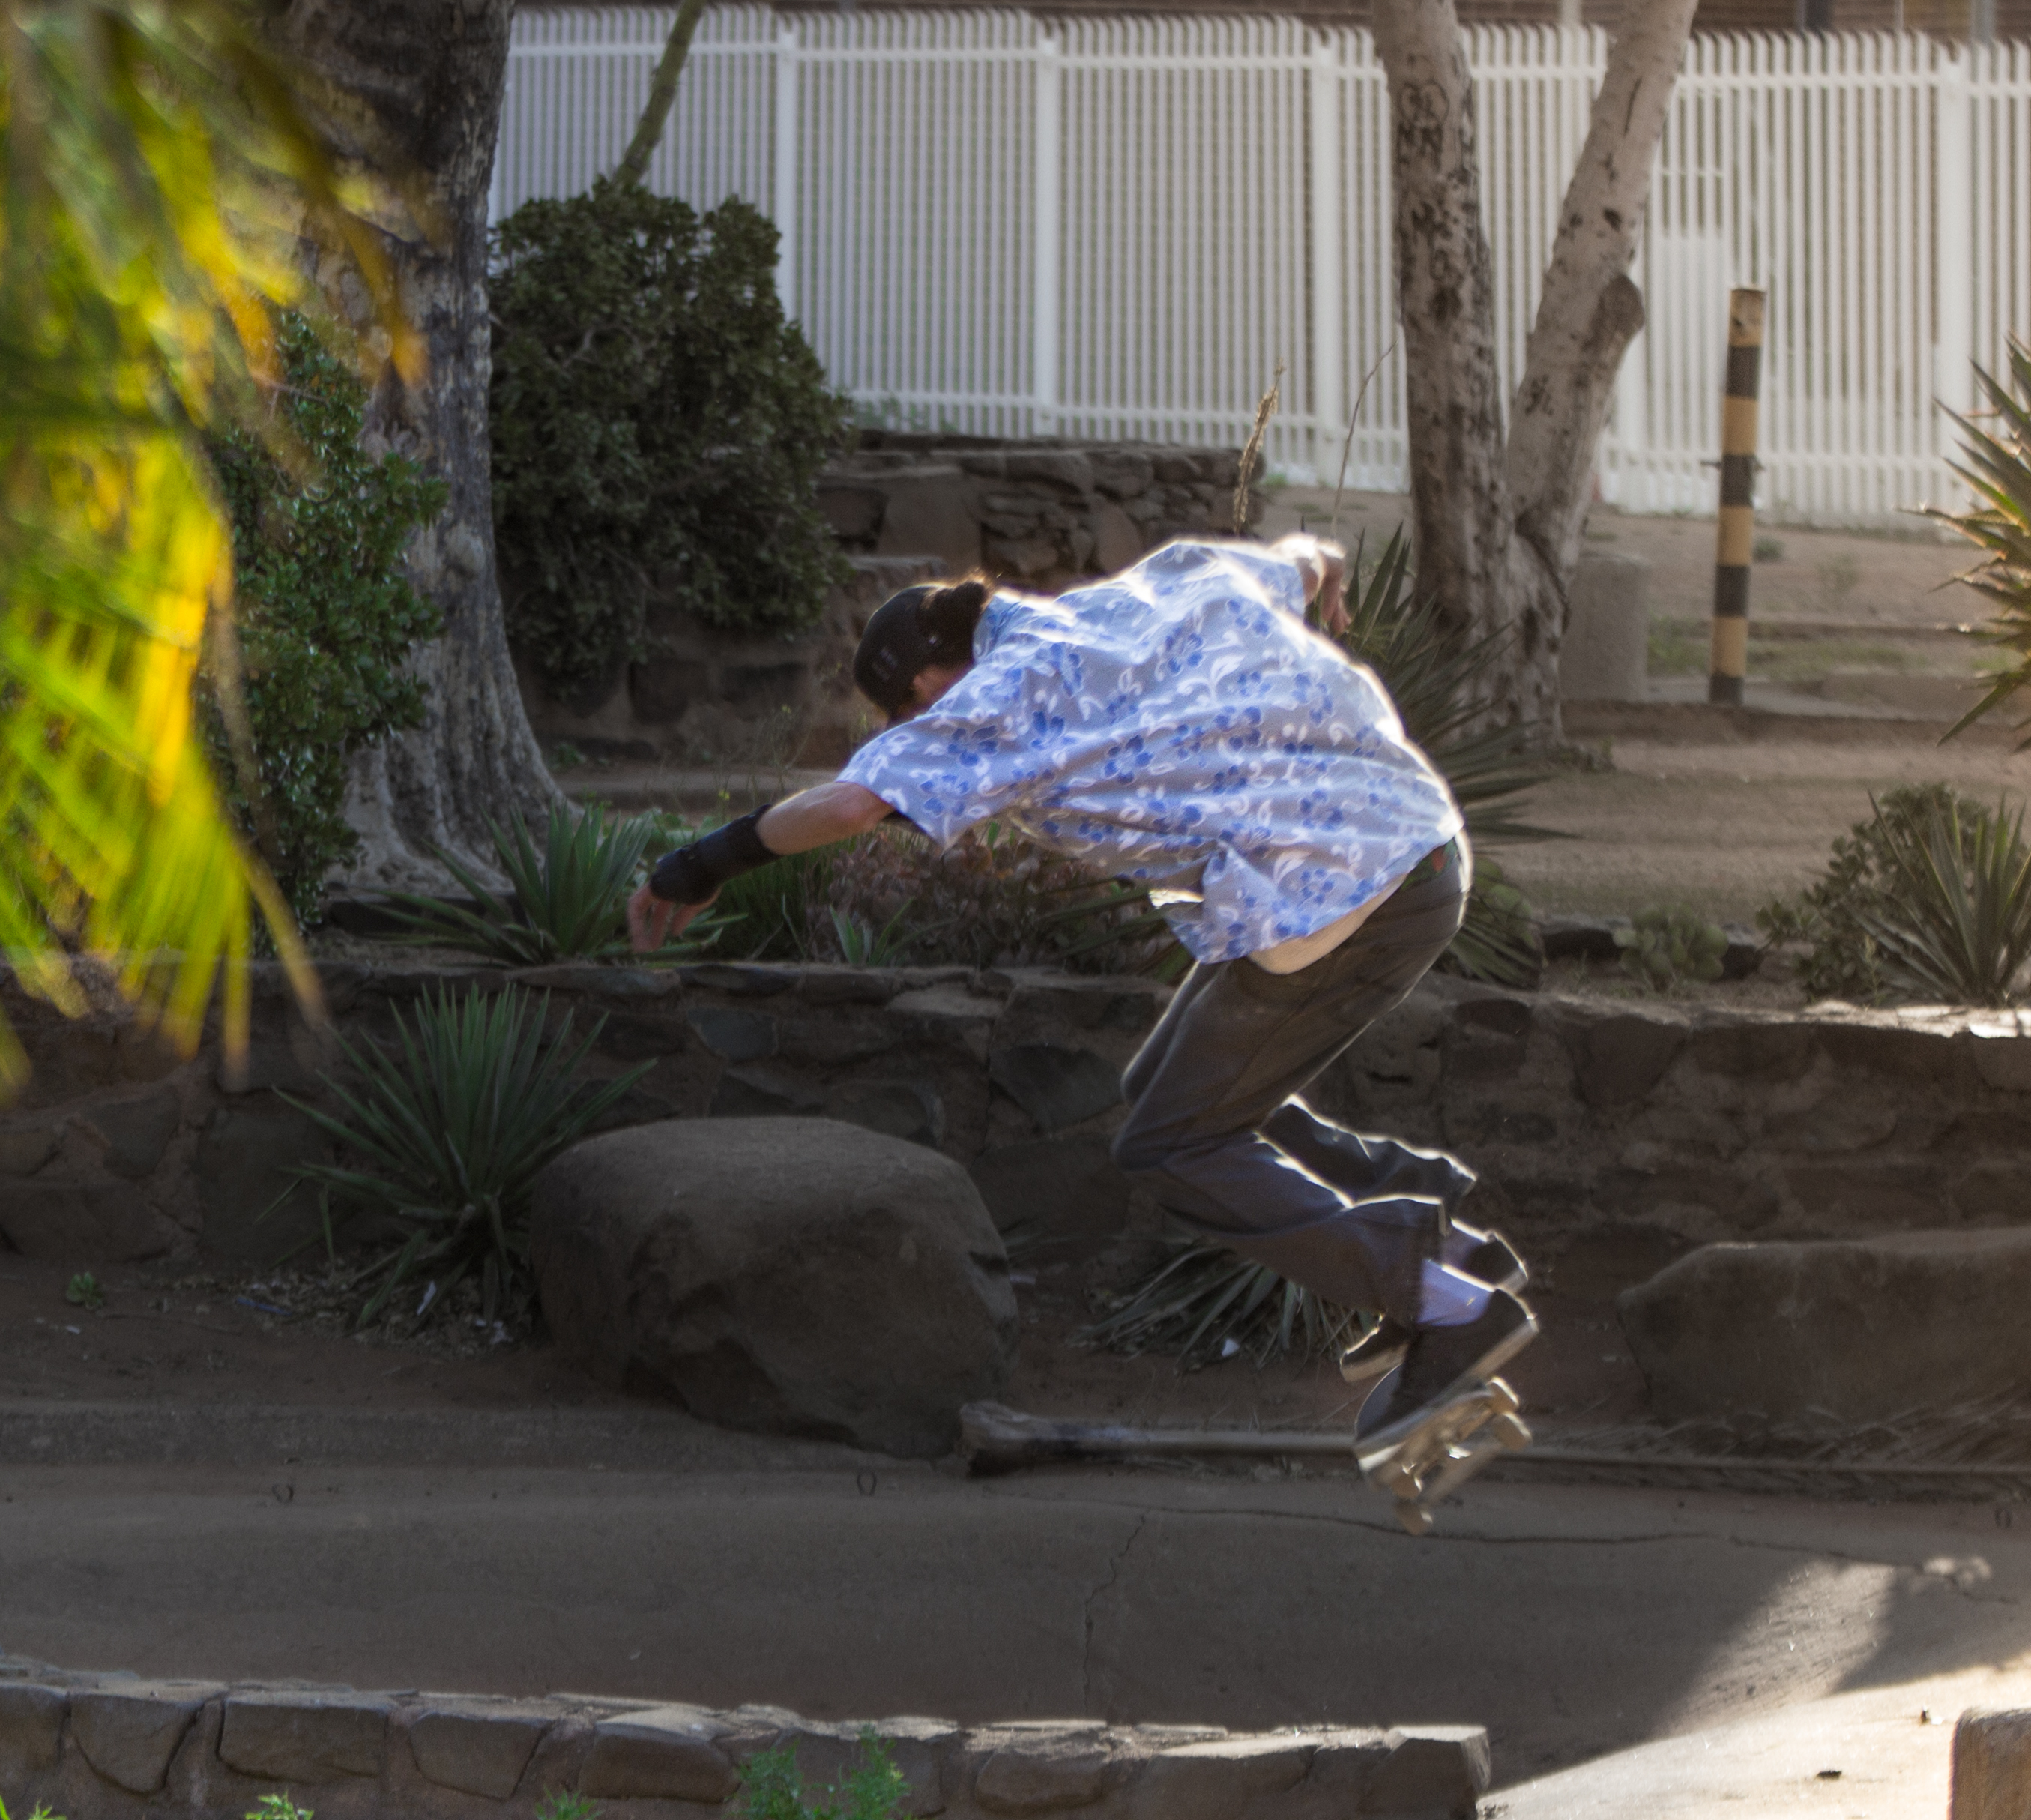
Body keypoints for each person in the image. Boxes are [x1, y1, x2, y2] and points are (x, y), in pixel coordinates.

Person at [624, 536, 1533, 1473]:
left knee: (1172, 1145)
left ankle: (1445, 1296)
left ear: (933, 677)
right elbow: (1308, 557)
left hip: (1345, 893)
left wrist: (700, 865)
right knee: (1163, 1090)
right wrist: (1329, 575)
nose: (911, 730)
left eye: (906, 710)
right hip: (1415, 851)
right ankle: (1446, 1227)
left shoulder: (999, 692)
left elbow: (854, 805)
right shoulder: (1163, 581)